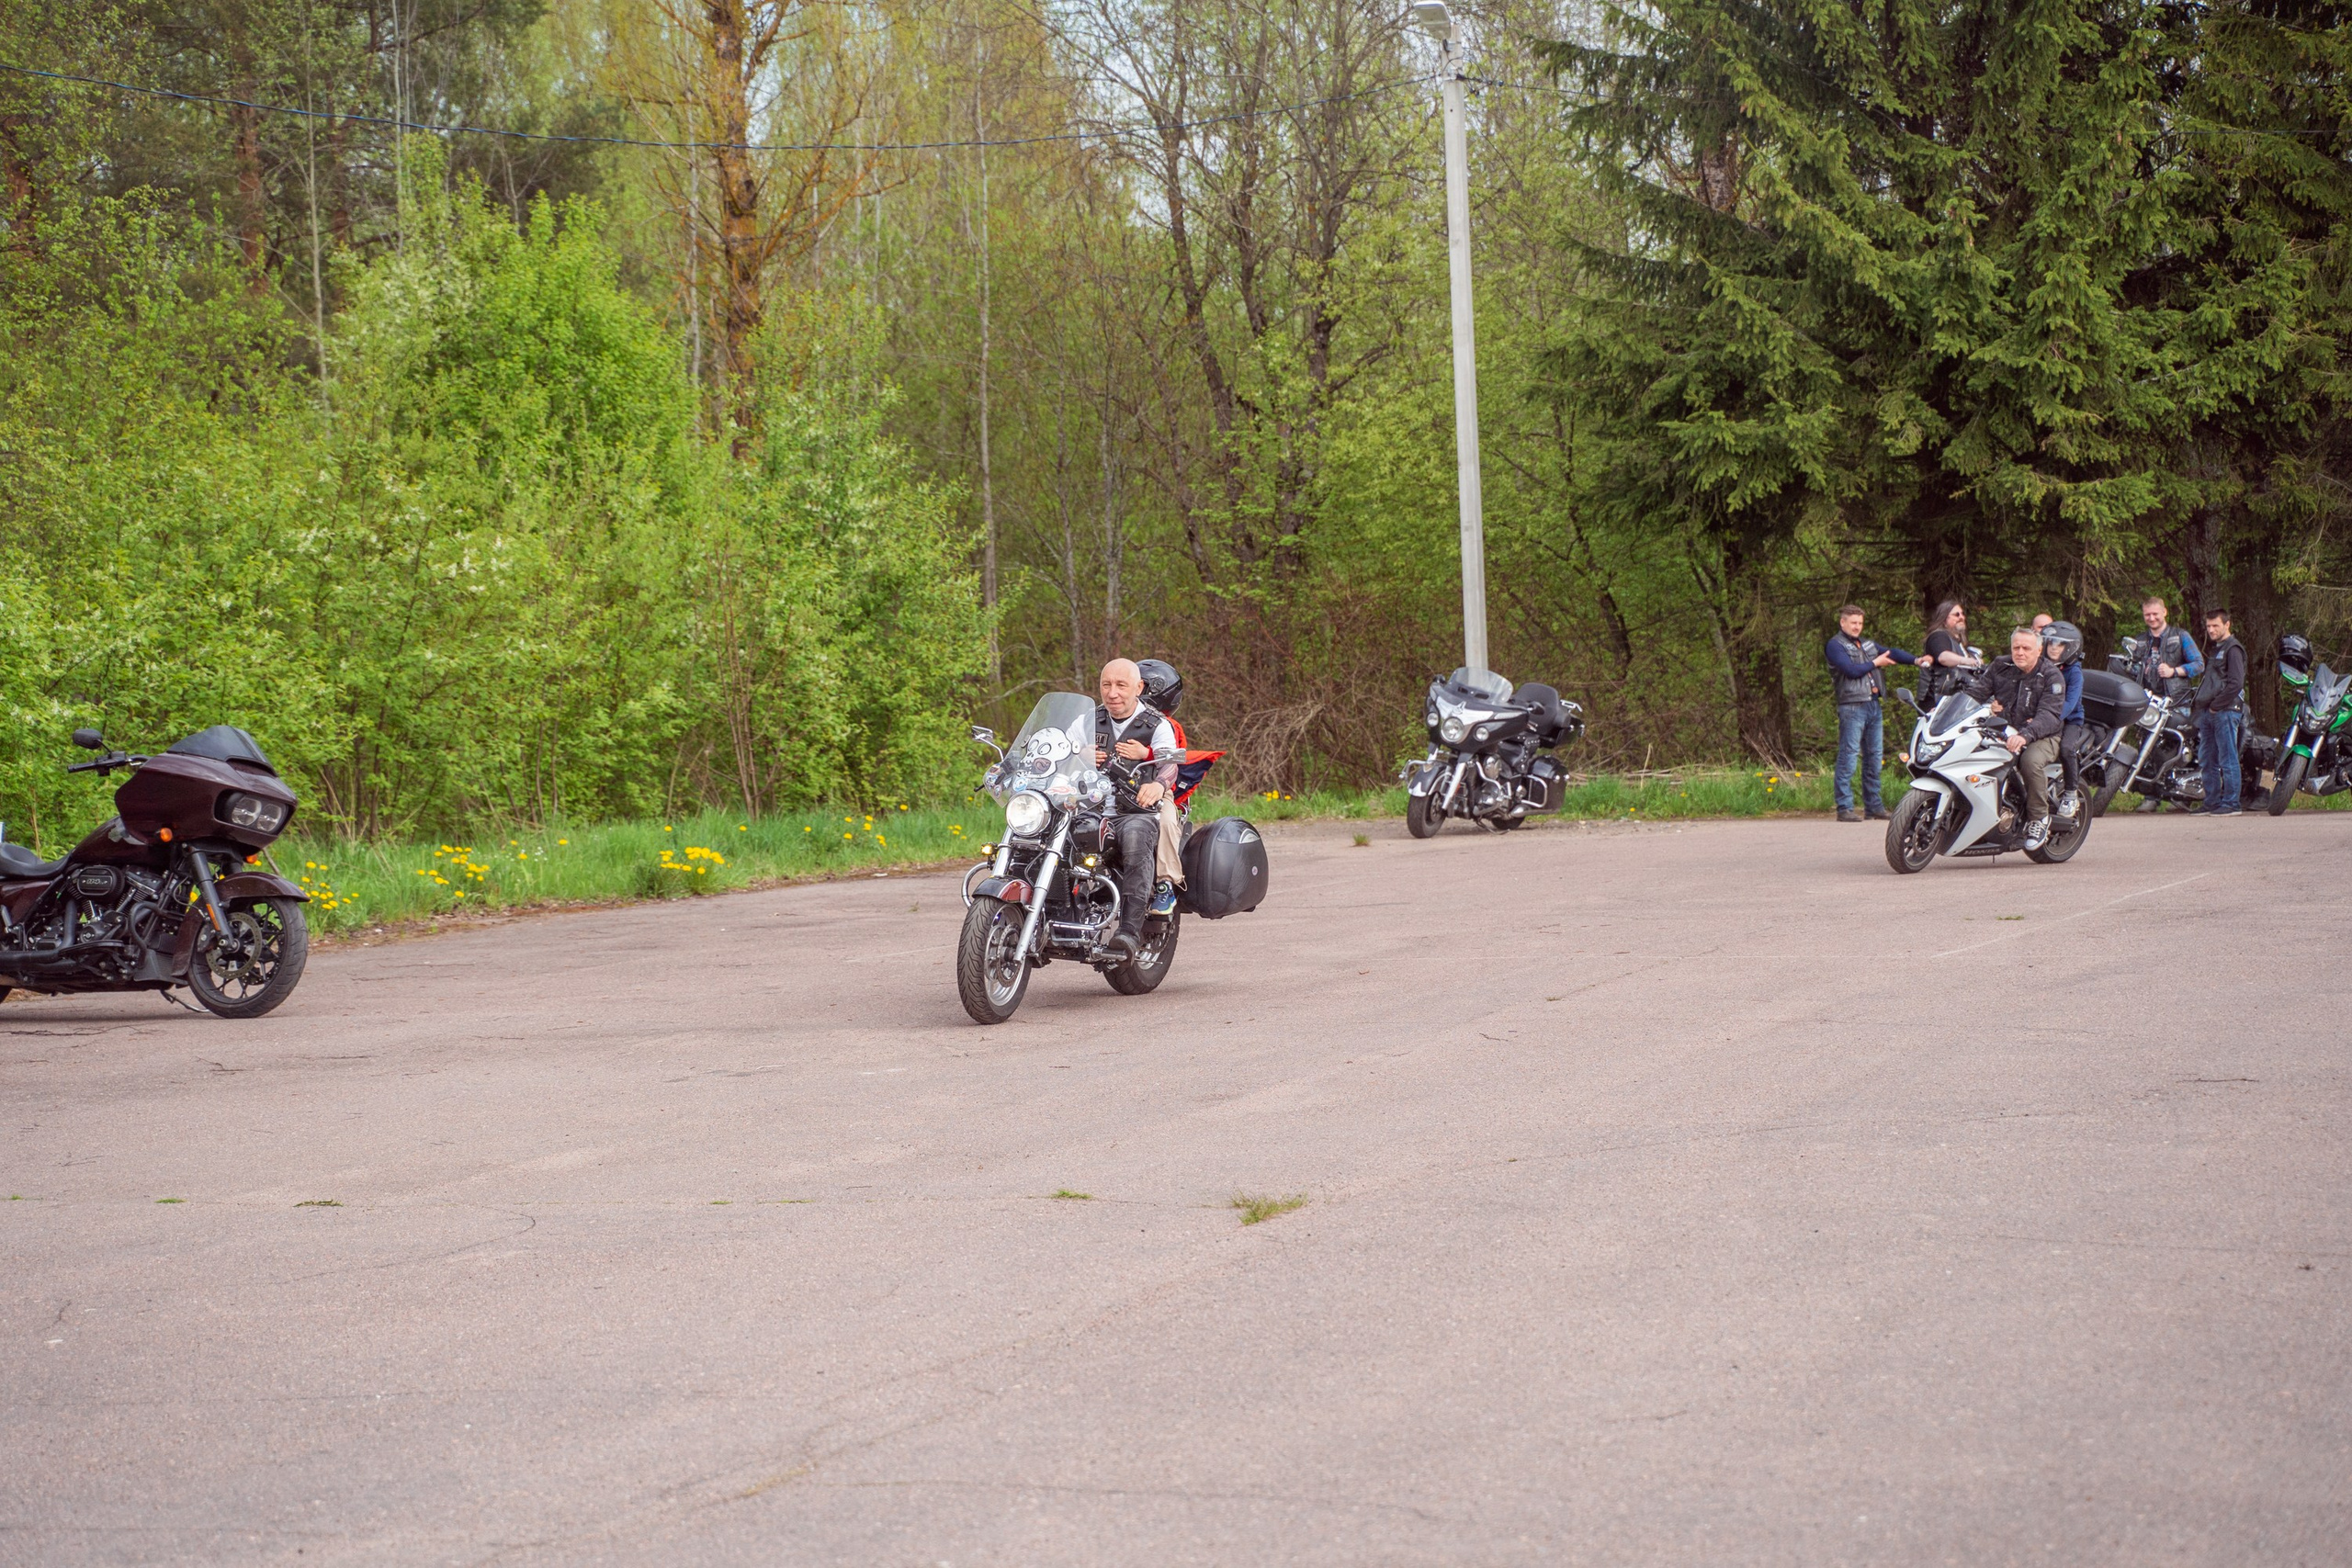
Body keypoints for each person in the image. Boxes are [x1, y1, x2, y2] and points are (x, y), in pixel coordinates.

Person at [1092, 659, 1179, 958]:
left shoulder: (1157, 724)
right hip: (1092, 808)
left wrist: (1158, 785)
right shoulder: (1087, 720)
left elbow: (1169, 763)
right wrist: (1076, 756)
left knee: (1136, 836)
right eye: (1106, 685)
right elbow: (1058, 751)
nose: (1112, 693)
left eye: (1121, 685)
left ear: (1139, 688)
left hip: (1136, 810)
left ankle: (1128, 931)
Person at [1965, 626, 2068, 848]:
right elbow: (1975, 693)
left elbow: (2050, 715)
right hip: (2004, 730)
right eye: (2016, 647)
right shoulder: (2000, 666)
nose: (2020, 652)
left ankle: (2039, 818)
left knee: (2030, 761)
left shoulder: (2051, 676)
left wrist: (2026, 735)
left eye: (2026, 648)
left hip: (2043, 735)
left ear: (2039, 650)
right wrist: (1946, 709)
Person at [1825, 605, 1929, 823]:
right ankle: (1844, 807)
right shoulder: (1835, 645)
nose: (1857, 627)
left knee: (1874, 757)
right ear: (1842, 622)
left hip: (1873, 705)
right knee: (1849, 755)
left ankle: (1873, 806)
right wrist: (1876, 663)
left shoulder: (1867, 644)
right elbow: (1850, 671)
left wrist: (1916, 660)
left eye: (1860, 623)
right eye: (1853, 623)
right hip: (1852, 706)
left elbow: (1892, 653)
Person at [2125, 596, 2203, 811]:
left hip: (2176, 701)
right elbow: (2131, 668)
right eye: (2147, 615)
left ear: (2164, 613)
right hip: (2147, 701)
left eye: (2155, 614)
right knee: (2147, 748)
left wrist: (2174, 671)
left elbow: (2199, 664)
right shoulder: (2140, 640)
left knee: (2176, 747)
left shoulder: (2180, 636)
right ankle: (2151, 797)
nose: (2151, 618)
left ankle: (2181, 797)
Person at [1134, 658, 1190, 914]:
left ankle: (1166, 883)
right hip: (1108, 789)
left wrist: (1145, 753)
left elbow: (1179, 757)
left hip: (1156, 788)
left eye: (1140, 686)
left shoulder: (1168, 725)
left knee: (1166, 820)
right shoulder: (1111, 717)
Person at [2193, 609, 2247, 816]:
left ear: (2227, 624)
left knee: (2227, 758)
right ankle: (2212, 802)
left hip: (2225, 711)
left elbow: (2236, 683)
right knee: (2207, 758)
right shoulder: (2217, 649)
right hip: (2210, 711)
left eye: (2215, 625)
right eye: (2208, 626)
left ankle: (2232, 803)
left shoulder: (2233, 649)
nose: (2211, 630)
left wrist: (2216, 706)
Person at [2036, 617, 2087, 817]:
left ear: (2070, 647)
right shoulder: (2041, 666)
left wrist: (2047, 721)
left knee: (2066, 749)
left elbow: (2069, 705)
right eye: (2051, 643)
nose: (2054, 648)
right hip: (2043, 716)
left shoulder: (2075, 673)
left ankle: (2071, 793)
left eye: (2060, 644)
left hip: (2069, 720)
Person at [1920, 600, 1980, 705]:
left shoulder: (1958, 643)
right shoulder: (1938, 636)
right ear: (1944, 619)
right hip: (1936, 702)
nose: (1961, 617)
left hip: (1953, 702)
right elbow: (1943, 657)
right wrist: (1965, 660)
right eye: (1956, 615)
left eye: (1962, 614)